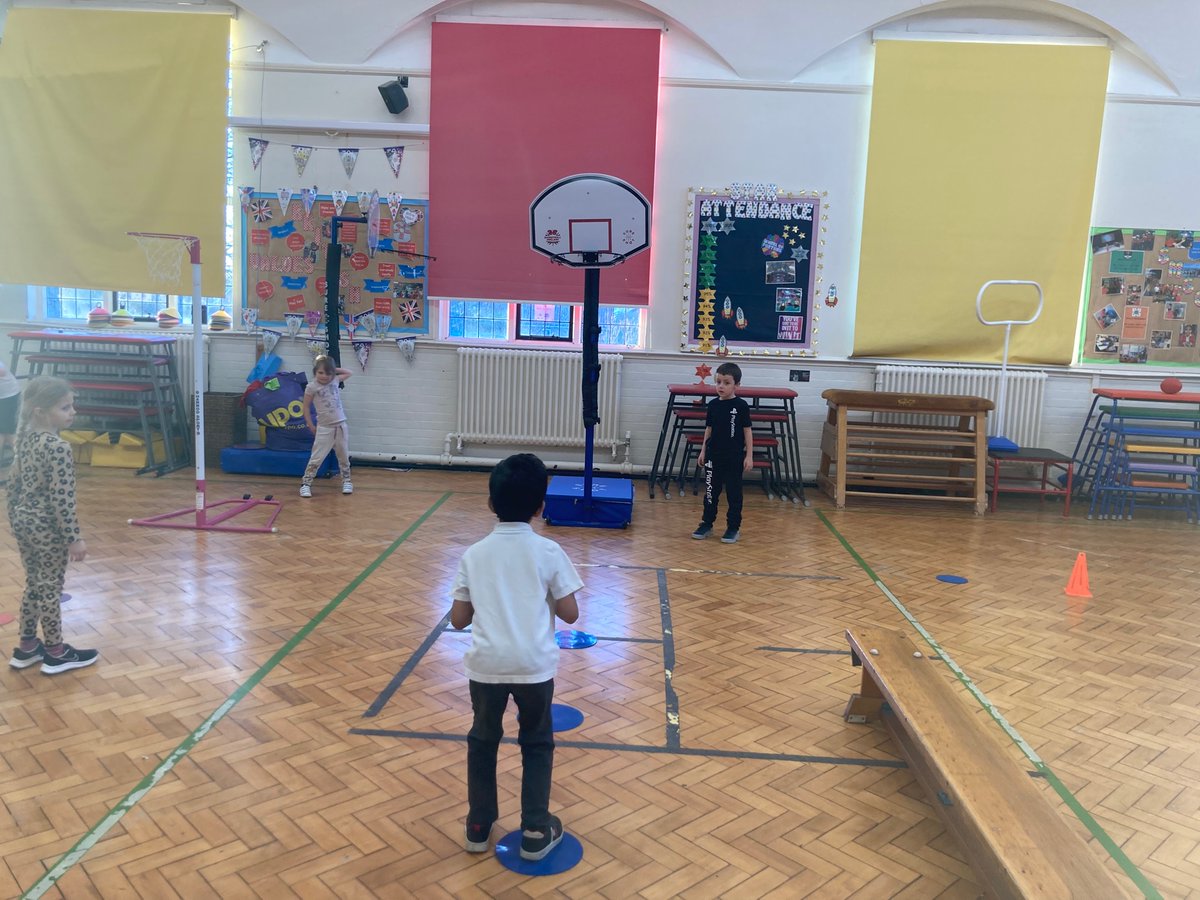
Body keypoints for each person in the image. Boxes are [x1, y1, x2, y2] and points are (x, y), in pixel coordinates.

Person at [450, 453, 583, 860]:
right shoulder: (548, 551)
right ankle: (536, 830)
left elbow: (458, 620)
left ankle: (478, 824)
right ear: (541, 506)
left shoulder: (474, 554)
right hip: (534, 668)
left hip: (486, 667)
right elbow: (570, 613)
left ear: (491, 504)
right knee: (537, 743)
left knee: (483, 741)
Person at [7, 377, 97, 674]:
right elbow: (62, 498)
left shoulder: (26, 439)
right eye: (64, 407)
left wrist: (16, 520)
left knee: (35, 582)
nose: (73, 412)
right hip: (47, 526)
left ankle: (28, 646)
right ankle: (56, 652)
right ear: (40, 411)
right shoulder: (57, 447)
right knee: (50, 587)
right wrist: (74, 538)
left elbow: (13, 487)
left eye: (72, 405)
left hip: (23, 520)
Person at [692, 361, 753, 544]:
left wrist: (748, 455)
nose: (721, 386)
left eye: (726, 383)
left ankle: (733, 527)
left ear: (737, 385)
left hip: (733, 457)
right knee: (711, 491)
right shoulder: (712, 405)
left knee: (734, 493)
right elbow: (708, 429)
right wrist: (703, 450)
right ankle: (707, 523)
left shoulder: (741, 406)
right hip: (713, 456)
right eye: (718, 382)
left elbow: (747, 431)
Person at [300, 355, 353, 498]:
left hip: (340, 426)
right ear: (315, 372)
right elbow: (305, 407)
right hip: (324, 428)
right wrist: (310, 424)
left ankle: (347, 480)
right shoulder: (311, 387)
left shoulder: (335, 380)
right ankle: (306, 483)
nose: (324, 376)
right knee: (317, 457)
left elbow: (349, 372)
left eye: (328, 373)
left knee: (343, 455)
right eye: (320, 372)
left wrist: (332, 368)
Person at [0, 359, 20, 481]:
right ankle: (26, 459)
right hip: (5, 397)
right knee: (6, 434)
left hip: (8, 398)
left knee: (4, 433)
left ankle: (27, 459)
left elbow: (1, 371)